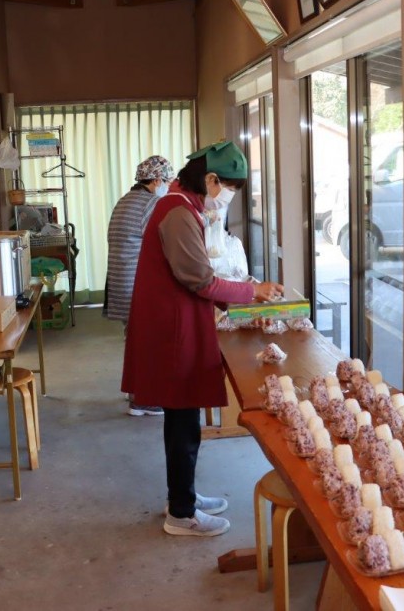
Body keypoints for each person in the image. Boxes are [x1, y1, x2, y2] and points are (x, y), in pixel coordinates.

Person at [122, 141, 283, 537]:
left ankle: (185, 496)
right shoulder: (177, 212)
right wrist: (252, 292)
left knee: (185, 418)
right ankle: (181, 513)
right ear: (210, 180)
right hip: (172, 329)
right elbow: (200, 279)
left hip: (177, 321)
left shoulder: (184, 205)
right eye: (227, 189)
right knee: (182, 421)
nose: (226, 198)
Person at [103, 155, 174, 416]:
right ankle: (145, 400)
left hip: (121, 281)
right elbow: (162, 241)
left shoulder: (124, 201)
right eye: (166, 180)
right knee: (149, 341)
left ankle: (135, 391)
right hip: (138, 282)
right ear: (156, 180)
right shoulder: (151, 203)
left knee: (134, 339)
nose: (167, 185)